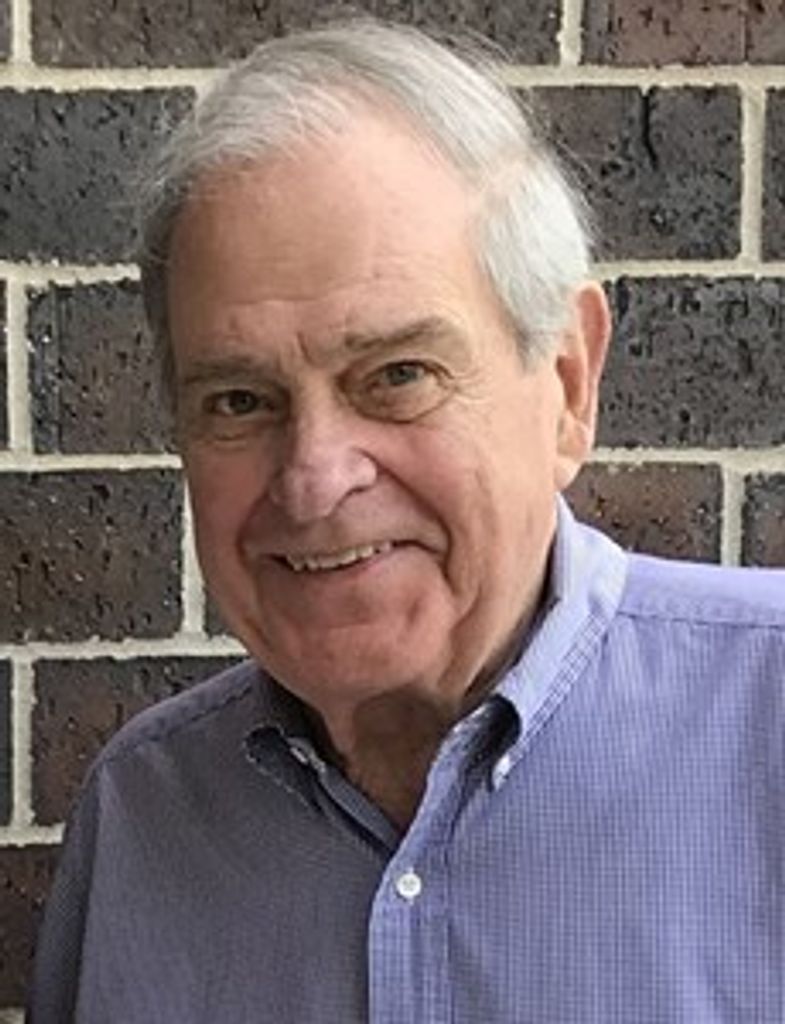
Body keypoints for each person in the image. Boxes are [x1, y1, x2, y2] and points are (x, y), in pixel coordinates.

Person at [29, 19, 784, 1024]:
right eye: (240, 400)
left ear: (566, 385)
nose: (313, 479)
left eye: (396, 376)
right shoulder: (145, 814)